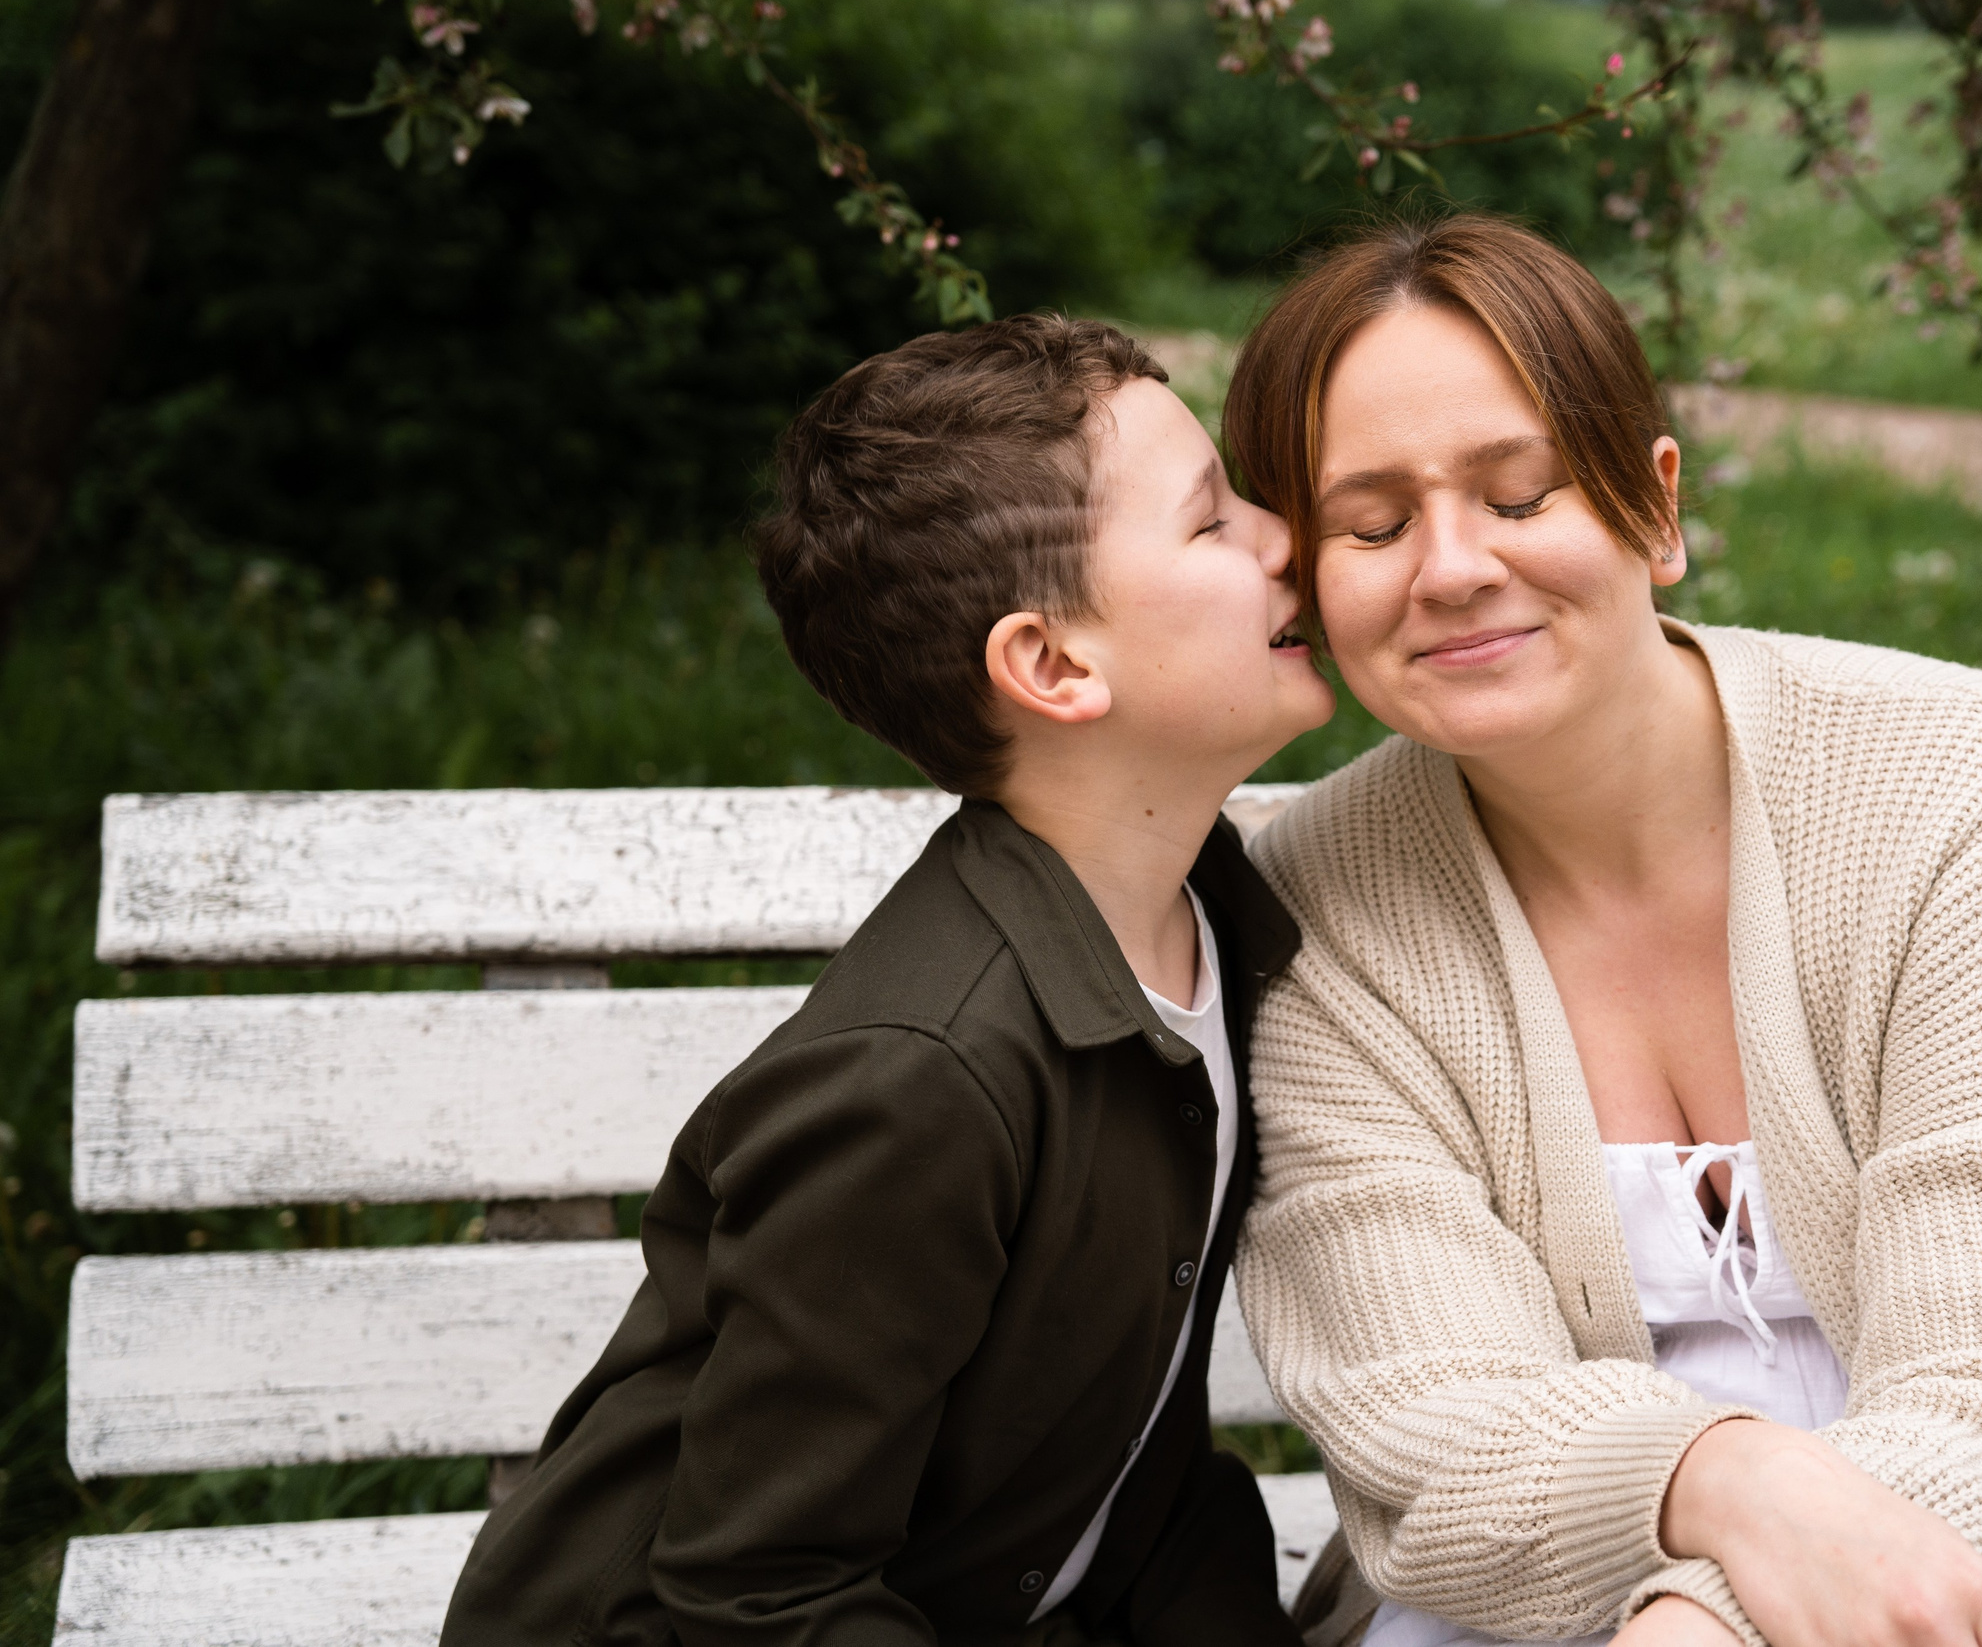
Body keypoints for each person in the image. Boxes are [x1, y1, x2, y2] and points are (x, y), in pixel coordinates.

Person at [1221, 215, 1982, 1647]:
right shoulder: (1310, 908)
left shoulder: (1963, 783)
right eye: (1372, 527)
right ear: (1305, 584)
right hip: (1521, 1617)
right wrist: (1729, 1491)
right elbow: (1435, 1432)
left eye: (1521, 494)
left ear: (1656, 506)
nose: (1451, 568)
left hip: (1977, 1596)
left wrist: (1707, 1625)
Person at [441, 316, 1335, 1647]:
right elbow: (759, 1591)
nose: (1283, 538)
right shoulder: (924, 1081)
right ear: (1053, 666)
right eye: (1212, 522)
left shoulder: (1211, 925)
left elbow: (1137, 1469)